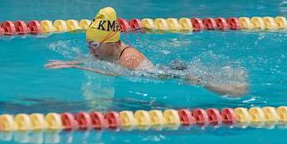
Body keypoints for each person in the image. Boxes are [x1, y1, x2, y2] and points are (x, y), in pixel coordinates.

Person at [45, 7, 248, 97]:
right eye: (88, 43)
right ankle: (232, 74)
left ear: (111, 40)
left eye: (94, 45)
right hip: (167, 68)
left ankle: (235, 85)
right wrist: (70, 63)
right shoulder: (102, 51)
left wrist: (82, 68)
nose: (90, 48)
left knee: (199, 81)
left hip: (167, 76)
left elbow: (113, 73)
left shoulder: (129, 57)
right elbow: (94, 62)